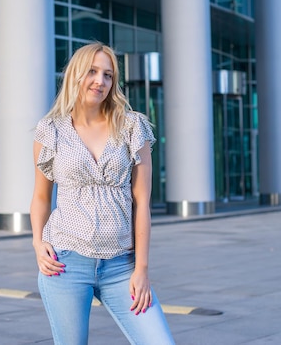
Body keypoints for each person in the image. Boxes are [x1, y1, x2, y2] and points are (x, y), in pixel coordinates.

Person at [30, 42, 175, 345]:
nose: (101, 81)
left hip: (122, 266)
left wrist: (142, 269)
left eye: (108, 75)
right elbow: (42, 196)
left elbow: (142, 203)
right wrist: (37, 241)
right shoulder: (50, 130)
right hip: (66, 262)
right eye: (93, 72)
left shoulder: (132, 126)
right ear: (75, 75)